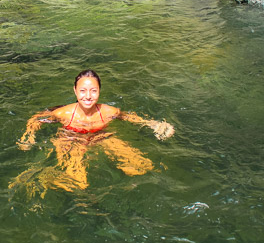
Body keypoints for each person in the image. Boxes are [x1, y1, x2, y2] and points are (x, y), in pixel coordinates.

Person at [11, 69, 174, 196]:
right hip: (71, 140)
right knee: (78, 184)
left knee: (142, 166)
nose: (88, 96)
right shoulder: (63, 113)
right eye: (83, 91)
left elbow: (129, 117)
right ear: (75, 91)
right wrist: (29, 136)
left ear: (99, 91)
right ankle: (44, 177)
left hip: (101, 137)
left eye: (93, 91)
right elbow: (36, 119)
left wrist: (155, 124)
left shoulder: (109, 111)